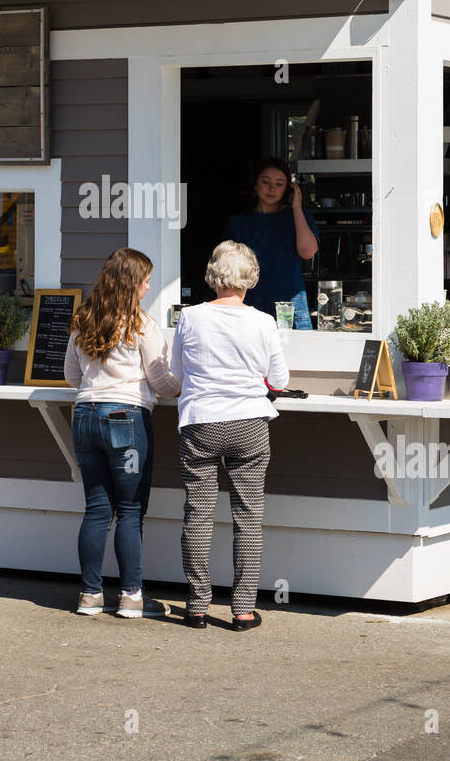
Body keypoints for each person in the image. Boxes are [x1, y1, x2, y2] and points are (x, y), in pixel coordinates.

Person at [171, 240, 289, 631]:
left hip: (201, 422)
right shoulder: (263, 322)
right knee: (248, 516)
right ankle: (242, 609)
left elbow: (176, 374)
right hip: (249, 423)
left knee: (198, 515)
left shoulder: (190, 317)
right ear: (249, 278)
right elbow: (281, 379)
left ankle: (197, 605)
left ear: (214, 274)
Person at [64, 248, 180, 617]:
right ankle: (131, 597)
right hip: (126, 418)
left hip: (84, 416)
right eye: (146, 280)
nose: (149, 286)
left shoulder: (83, 319)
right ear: (133, 284)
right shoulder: (142, 325)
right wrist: (181, 385)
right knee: (130, 510)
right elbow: (161, 382)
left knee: (97, 509)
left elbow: (71, 376)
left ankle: (90, 595)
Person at [225, 158, 319, 327]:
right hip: (249, 305)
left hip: (289, 306)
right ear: (255, 184)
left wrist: (296, 208)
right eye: (266, 182)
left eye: (279, 184)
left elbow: (307, 252)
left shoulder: (297, 217)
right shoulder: (238, 223)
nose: (272, 188)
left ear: (288, 189)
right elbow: (226, 270)